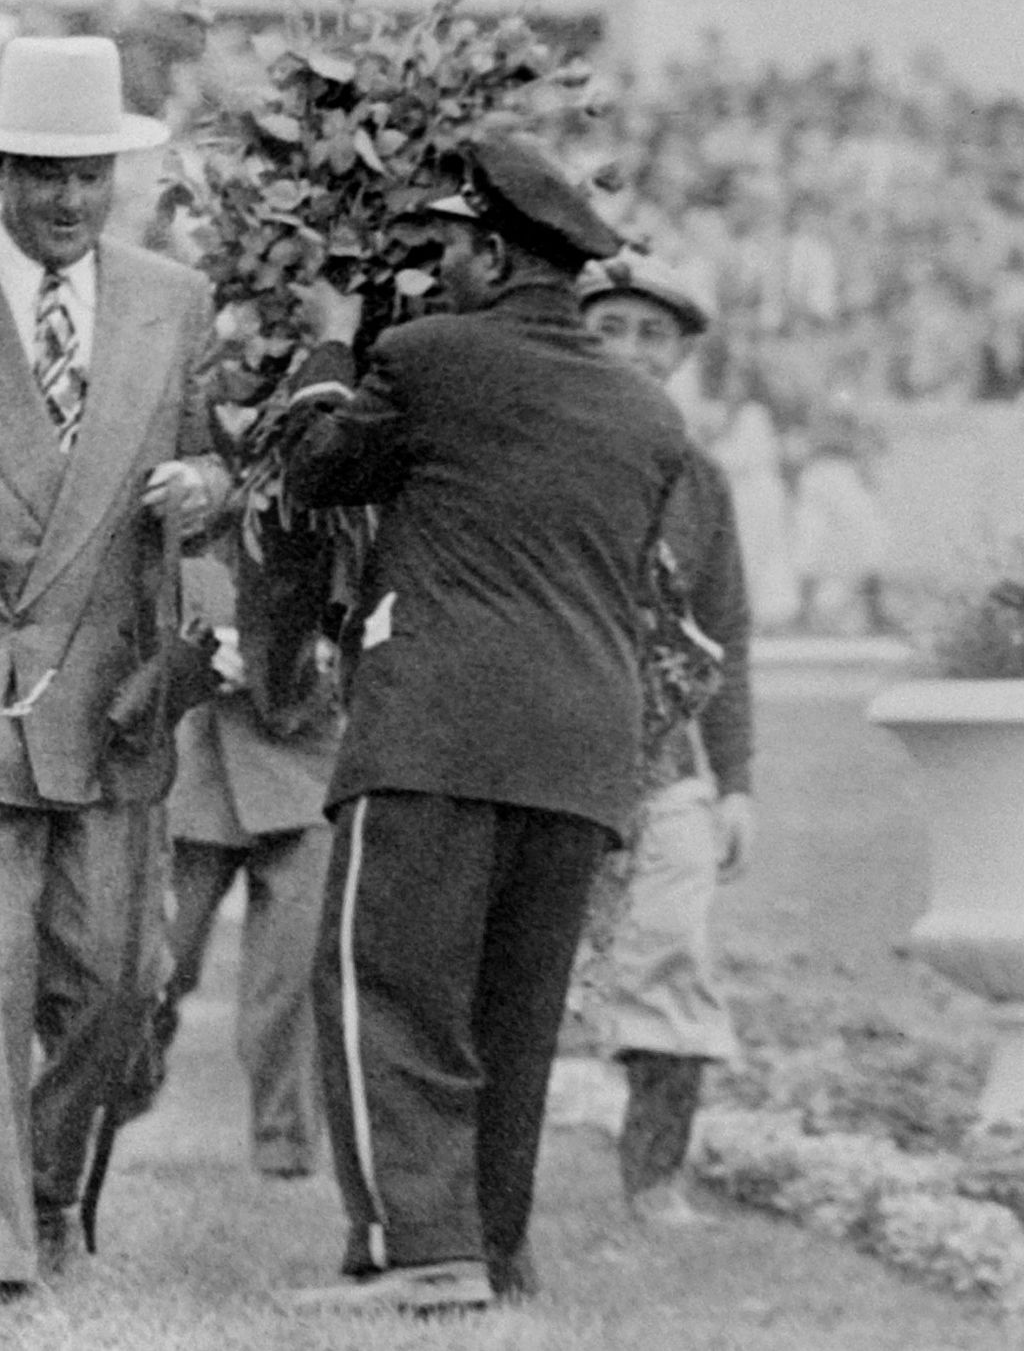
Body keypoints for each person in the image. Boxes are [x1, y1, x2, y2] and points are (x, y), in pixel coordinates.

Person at [279, 134, 691, 1315]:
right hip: (578, 758)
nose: (436, 265)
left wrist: (323, 339)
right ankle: (491, 1254)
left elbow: (316, 469)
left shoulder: (427, 358)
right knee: (514, 1021)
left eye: (452, 246)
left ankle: (416, 1251)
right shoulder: (649, 414)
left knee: (386, 989)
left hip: (436, 733)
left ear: (500, 253)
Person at [0, 35, 229, 1301]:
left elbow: (226, 466)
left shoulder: (173, 302)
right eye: (43, 177)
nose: (68, 203)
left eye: (90, 177)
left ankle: (43, 1183)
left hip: (112, 690)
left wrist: (208, 484)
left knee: (122, 987)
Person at [578, 254, 756, 1228]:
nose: (631, 350)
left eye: (653, 333)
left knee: (671, 958)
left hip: (659, 760)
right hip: (548, 750)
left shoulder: (701, 479)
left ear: (682, 354)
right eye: (609, 325)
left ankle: (653, 1179)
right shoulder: (536, 445)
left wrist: (736, 780)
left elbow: (723, 631)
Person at [153, 610, 341, 1182]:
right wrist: (185, 656)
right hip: (191, 761)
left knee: (291, 971)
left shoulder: (330, 518)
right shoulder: (176, 521)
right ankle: (101, 1117)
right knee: (159, 964)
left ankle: (284, 1147)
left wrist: (322, 651)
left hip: (303, 757)